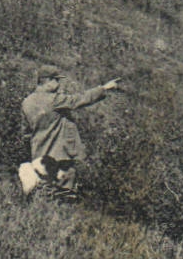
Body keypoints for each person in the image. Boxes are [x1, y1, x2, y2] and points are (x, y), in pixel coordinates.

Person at [20, 65, 120, 197]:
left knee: (43, 189)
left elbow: (25, 132)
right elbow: (79, 99)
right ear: (48, 81)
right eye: (56, 80)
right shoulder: (54, 99)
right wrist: (104, 88)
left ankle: (43, 207)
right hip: (60, 153)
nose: (58, 84)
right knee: (65, 191)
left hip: (39, 154)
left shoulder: (27, 102)